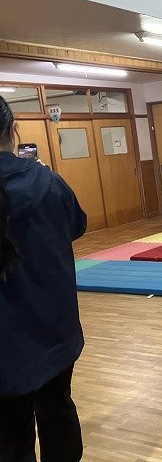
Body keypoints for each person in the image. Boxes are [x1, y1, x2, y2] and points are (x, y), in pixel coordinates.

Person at [0, 95, 86, 461]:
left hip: (9, 342)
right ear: (13, 129)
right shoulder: (48, 181)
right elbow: (76, 226)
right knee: (58, 410)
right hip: (54, 328)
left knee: (10, 435)